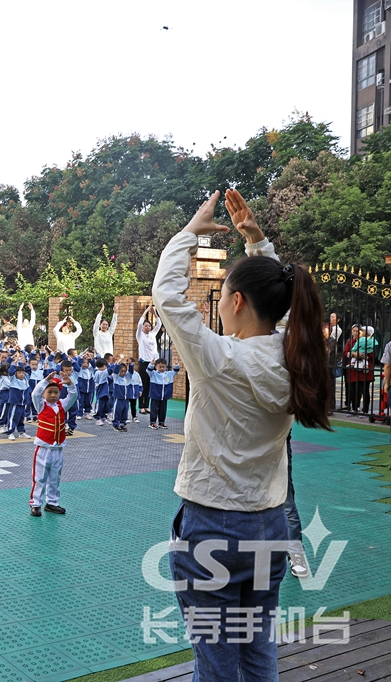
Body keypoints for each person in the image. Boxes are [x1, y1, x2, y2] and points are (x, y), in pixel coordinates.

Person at [153, 189, 330, 680]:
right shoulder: (292, 358)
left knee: (215, 659)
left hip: (213, 525)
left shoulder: (221, 361)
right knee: (256, 649)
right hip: (269, 524)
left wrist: (188, 234)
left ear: (234, 300)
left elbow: (168, 298)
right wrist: (259, 246)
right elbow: (287, 312)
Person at [28, 373, 77, 516]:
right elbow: (34, 394)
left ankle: (52, 503)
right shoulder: (41, 405)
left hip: (58, 448)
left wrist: (70, 384)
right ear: (44, 394)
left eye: (56, 392)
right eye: (50, 392)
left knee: (55, 477)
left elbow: (73, 396)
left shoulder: (62, 405)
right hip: (43, 448)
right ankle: (36, 504)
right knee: (39, 478)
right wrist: (44, 382)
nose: (53, 395)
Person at [135, 305, 162, 414]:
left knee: (150, 385)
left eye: (149, 326)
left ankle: (147, 405)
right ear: (142, 327)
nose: (147, 328)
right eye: (146, 326)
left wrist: (154, 313)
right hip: (143, 363)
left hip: (153, 363)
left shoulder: (152, 334)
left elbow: (159, 324)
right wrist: (146, 310)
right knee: (143, 384)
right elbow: (139, 323)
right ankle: (141, 406)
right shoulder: (140, 335)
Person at [146, 358, 179, 429]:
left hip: (165, 396)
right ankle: (152, 422)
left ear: (166, 366)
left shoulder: (169, 374)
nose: (162, 368)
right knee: (154, 409)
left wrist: (176, 364)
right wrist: (151, 363)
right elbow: (148, 370)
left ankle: (161, 422)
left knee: (163, 410)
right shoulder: (153, 374)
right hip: (155, 395)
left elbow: (176, 371)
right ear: (156, 367)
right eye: (160, 367)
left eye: (163, 367)